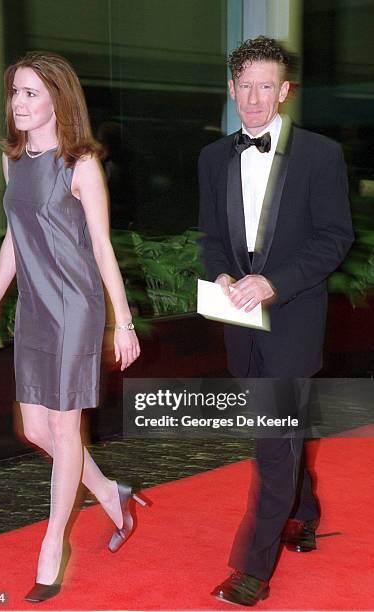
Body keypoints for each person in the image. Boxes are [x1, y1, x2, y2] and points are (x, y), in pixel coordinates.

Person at [0, 51, 146, 603]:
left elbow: (100, 248)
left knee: (65, 430)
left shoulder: (82, 164)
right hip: (34, 311)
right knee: (35, 431)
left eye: (30, 93)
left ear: (57, 100)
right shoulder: (16, 158)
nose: (18, 103)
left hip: (75, 307)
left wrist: (123, 321)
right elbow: (12, 241)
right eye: (14, 92)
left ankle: (53, 547)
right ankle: (113, 495)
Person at [198, 36, 353, 606]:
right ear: (232, 88)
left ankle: (252, 570)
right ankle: (305, 511)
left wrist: (274, 281)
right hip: (238, 324)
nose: (256, 98)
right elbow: (212, 240)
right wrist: (219, 276)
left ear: (285, 91)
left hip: (293, 322)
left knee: (272, 443)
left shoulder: (321, 155)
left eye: (268, 86)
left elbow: (335, 237)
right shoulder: (212, 158)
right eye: (246, 86)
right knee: (284, 435)